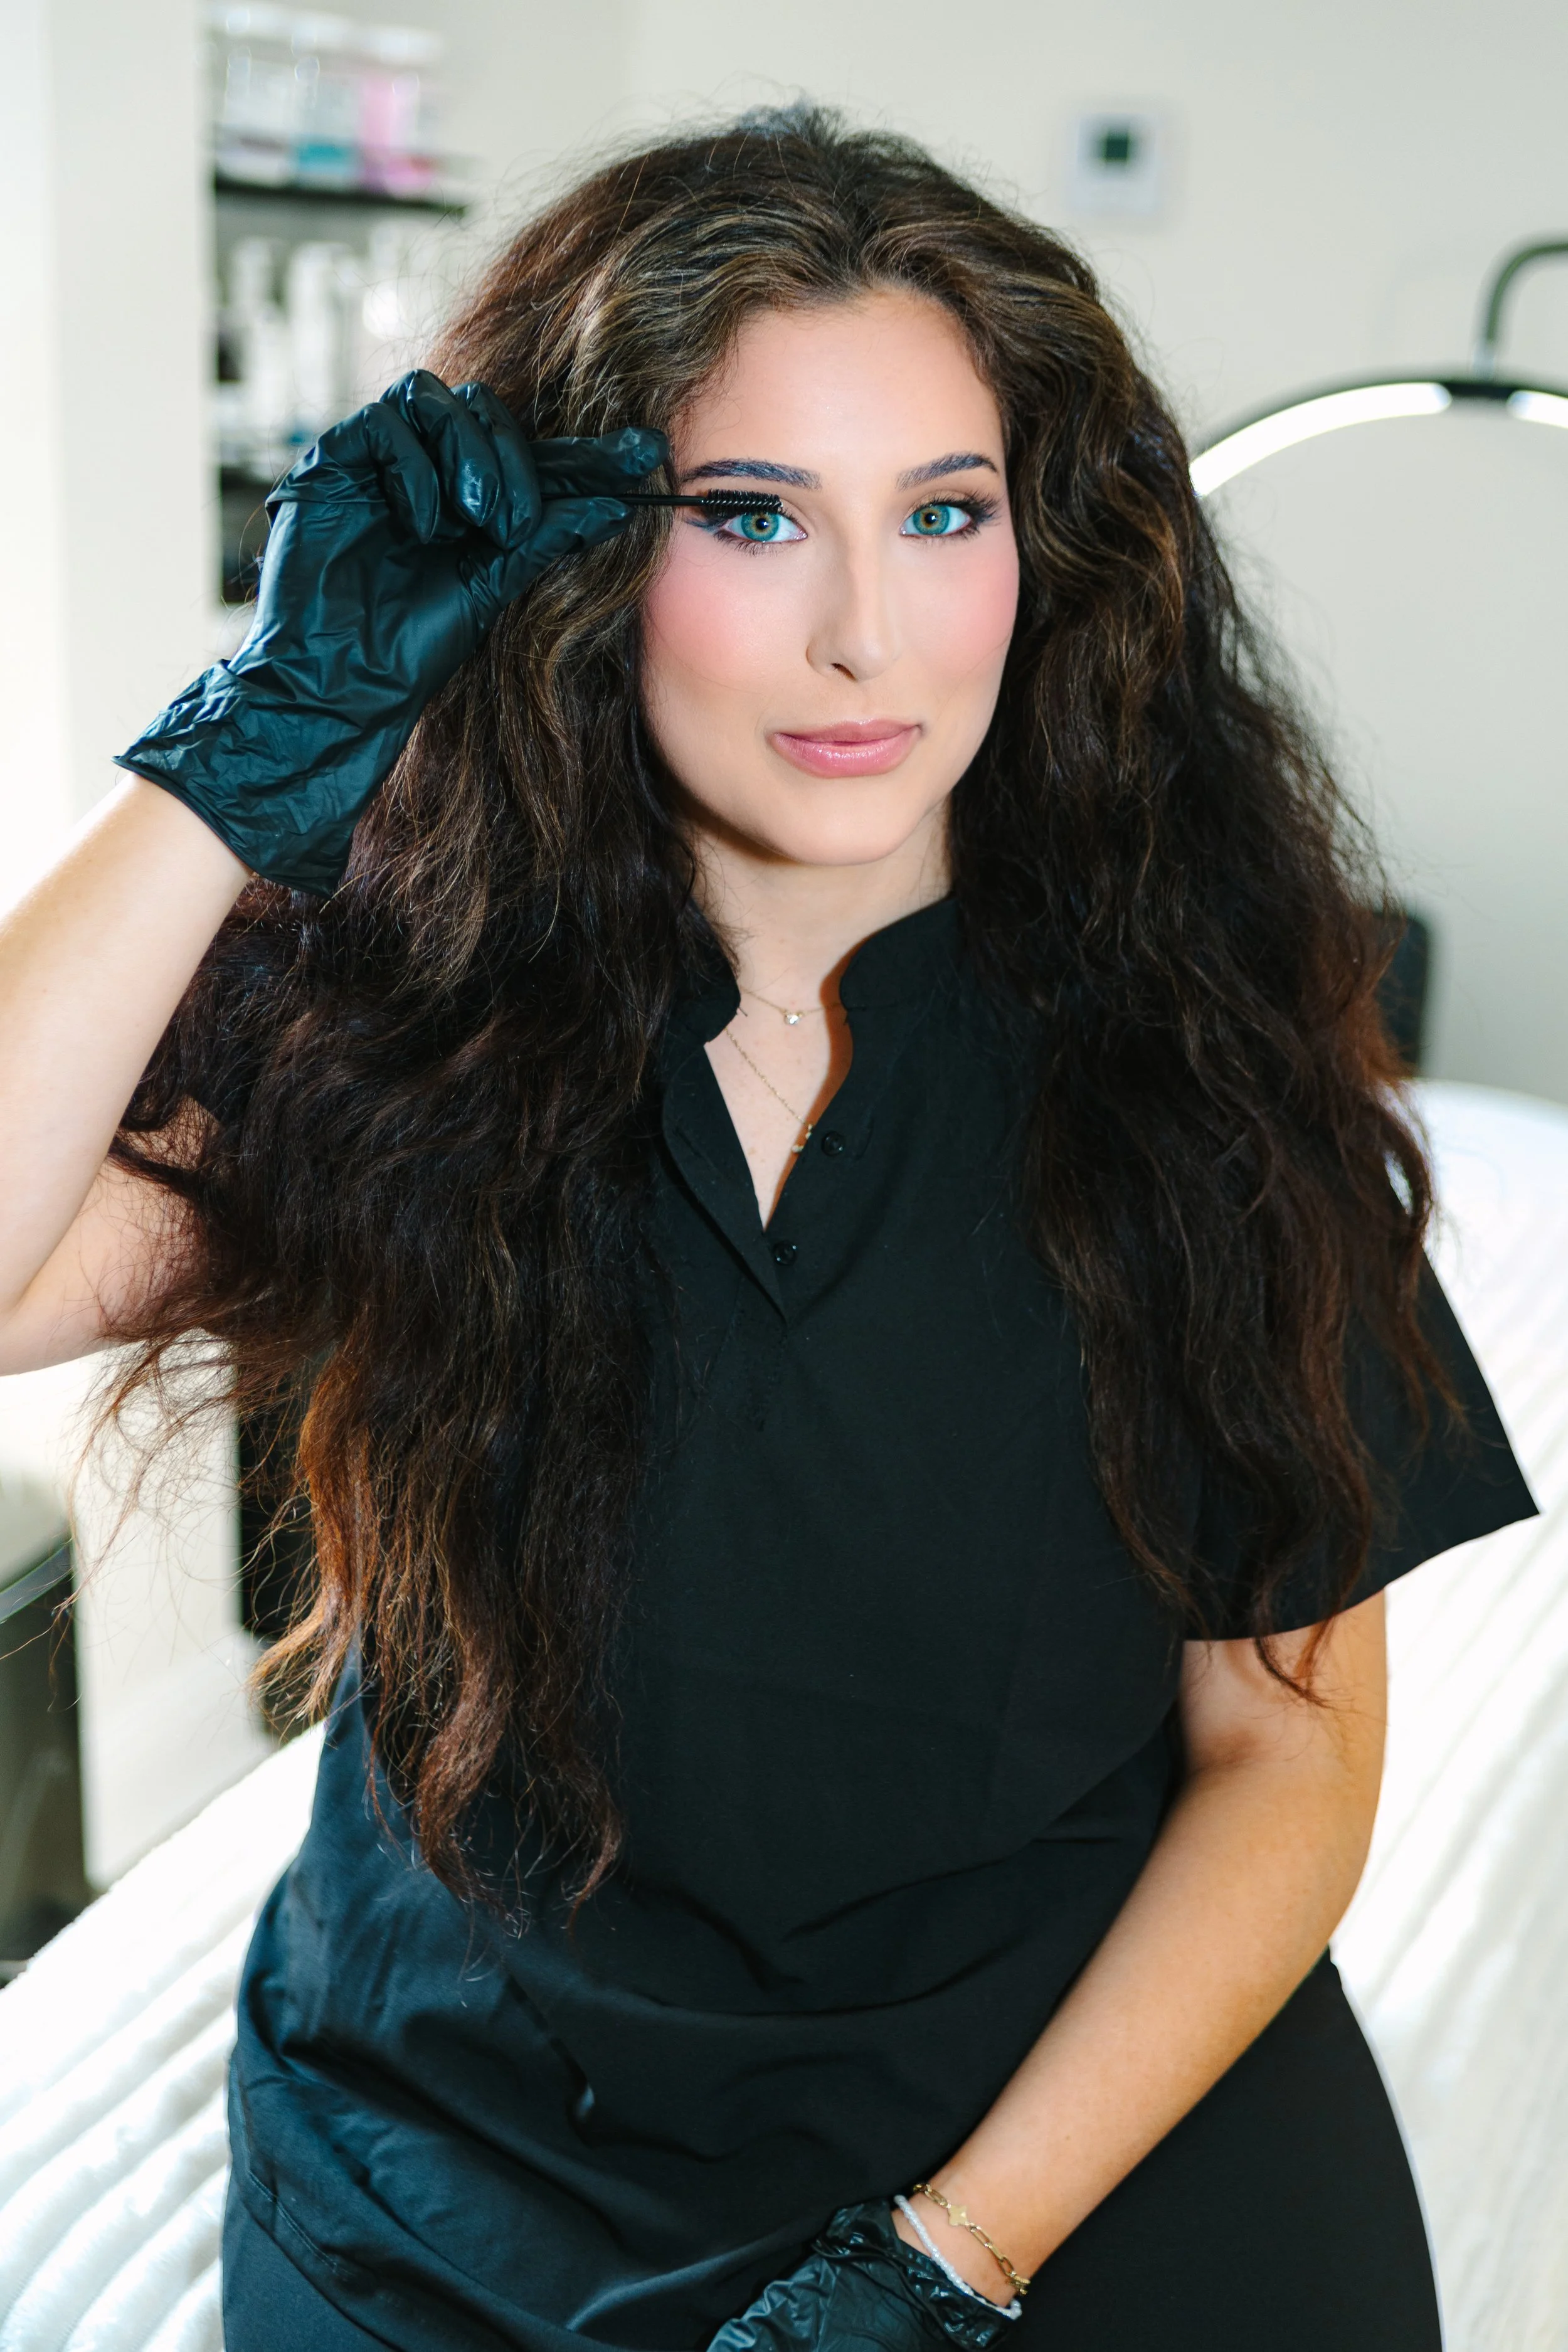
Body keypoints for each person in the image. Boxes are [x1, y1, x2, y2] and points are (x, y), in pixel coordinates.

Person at [0, 107, 1535, 2352]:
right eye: (748, 516)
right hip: (472, 2143)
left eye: (942, 515)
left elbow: (1286, 1762)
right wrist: (249, 747)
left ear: (1045, 546)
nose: (863, 636)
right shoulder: (394, 1019)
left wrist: (946, 2259)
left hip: (1055, 2123)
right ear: (588, 557)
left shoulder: (1208, 1075)